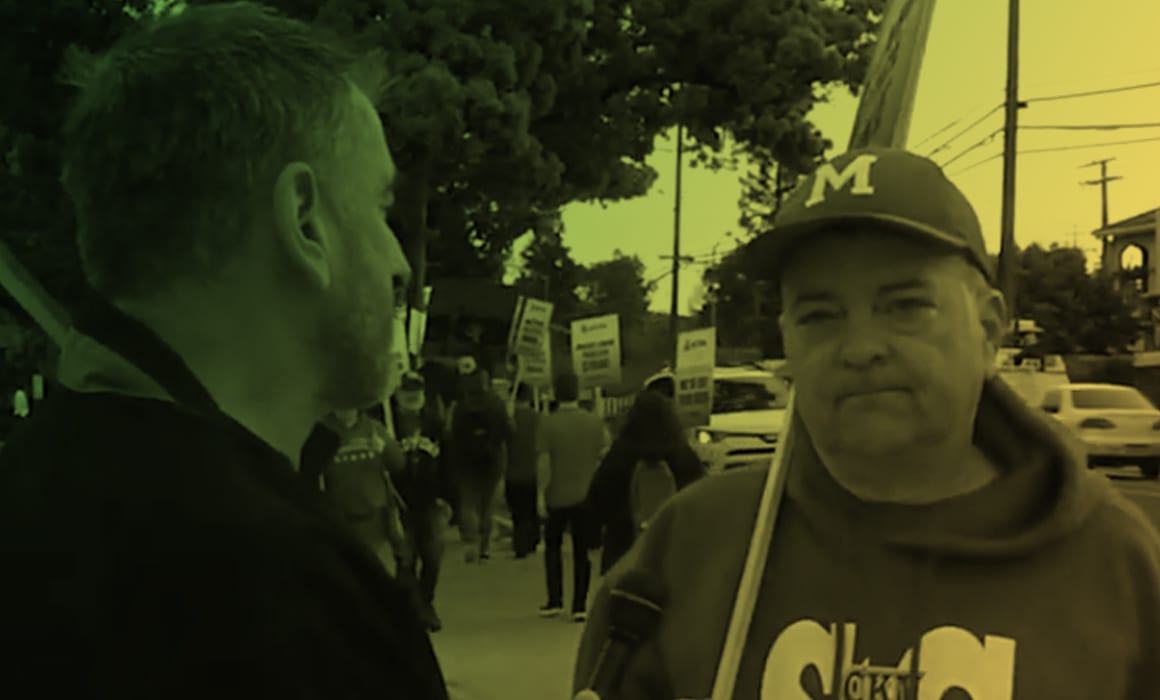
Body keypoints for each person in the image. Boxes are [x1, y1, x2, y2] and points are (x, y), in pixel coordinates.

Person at [574, 147, 1160, 699]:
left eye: (904, 305)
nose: (859, 348)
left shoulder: (1119, 565)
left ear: (988, 329)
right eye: (820, 314)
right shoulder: (691, 546)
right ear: (787, 344)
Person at [0, 4, 449, 698]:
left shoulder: (31, 502)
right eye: (380, 208)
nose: (399, 263)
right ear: (305, 220)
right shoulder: (290, 597)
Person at [585, 390, 705, 575]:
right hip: (673, 549)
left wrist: (592, 535)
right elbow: (700, 497)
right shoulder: (682, 455)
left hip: (624, 548)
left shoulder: (621, 453)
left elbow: (599, 497)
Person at [537, 371, 610, 622]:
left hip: (557, 495)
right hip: (586, 495)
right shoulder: (594, 422)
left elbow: (545, 462)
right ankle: (580, 605)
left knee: (553, 549)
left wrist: (540, 494)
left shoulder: (547, 424)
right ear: (578, 392)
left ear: (555, 393)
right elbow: (604, 455)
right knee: (581, 552)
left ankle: (555, 600)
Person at [391, 370, 451, 632]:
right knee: (405, 560)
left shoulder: (434, 425)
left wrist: (449, 498)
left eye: (416, 392)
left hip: (430, 502)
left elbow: (449, 463)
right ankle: (415, 611)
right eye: (407, 392)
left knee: (433, 557)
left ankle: (425, 602)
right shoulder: (387, 425)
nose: (412, 397)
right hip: (399, 503)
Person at [319, 407, 410, 575]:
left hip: (375, 514)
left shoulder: (374, 428)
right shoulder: (322, 432)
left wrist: (384, 449)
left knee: (378, 571)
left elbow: (398, 464)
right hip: (340, 516)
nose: (346, 407)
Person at [449, 365, 512, 562]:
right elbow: (509, 431)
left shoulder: (461, 404)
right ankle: (485, 548)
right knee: (488, 504)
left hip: (466, 460)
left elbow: (453, 433)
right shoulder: (496, 403)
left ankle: (471, 543)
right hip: (493, 458)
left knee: (468, 503)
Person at [506, 381, 542, 558]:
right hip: (532, 470)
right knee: (530, 508)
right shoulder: (537, 418)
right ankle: (532, 540)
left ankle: (520, 544)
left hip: (512, 471)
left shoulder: (509, 420)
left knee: (518, 512)